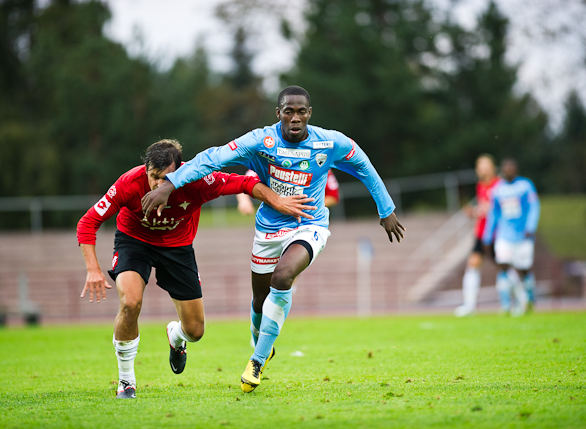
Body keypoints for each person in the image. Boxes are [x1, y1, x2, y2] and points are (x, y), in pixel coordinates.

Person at [141, 86, 406, 393]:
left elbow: (363, 165)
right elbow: (212, 158)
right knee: (259, 299)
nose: (295, 118)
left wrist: (386, 208)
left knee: (283, 277)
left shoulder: (329, 142)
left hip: (310, 225)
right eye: (288, 111)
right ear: (278, 113)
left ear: (309, 114)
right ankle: (262, 342)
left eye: (301, 111)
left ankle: (257, 359)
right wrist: (169, 185)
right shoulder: (259, 141)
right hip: (268, 228)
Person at [77, 139, 316, 399]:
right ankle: (126, 381)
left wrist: (277, 201)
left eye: (166, 178)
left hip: (178, 248)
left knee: (195, 331)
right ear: (145, 169)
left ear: (181, 171)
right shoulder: (129, 183)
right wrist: (93, 269)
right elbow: (88, 222)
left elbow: (245, 183)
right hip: (134, 243)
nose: (158, 184)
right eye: (153, 177)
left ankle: (175, 336)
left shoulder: (200, 180)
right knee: (130, 302)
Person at [482, 158, 540, 316]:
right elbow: (493, 214)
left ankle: (529, 299)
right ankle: (506, 303)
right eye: (506, 168)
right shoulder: (497, 190)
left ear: (516, 170)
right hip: (504, 236)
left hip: (523, 236)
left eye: (511, 168)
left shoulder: (525, 186)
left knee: (523, 269)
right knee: (503, 266)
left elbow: (534, 207)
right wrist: (488, 236)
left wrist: (531, 227)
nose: (508, 170)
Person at [454, 155, 500, 317]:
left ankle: (519, 300)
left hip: (496, 233)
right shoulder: (480, 186)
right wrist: (473, 212)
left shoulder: (499, 185)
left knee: (504, 266)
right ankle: (470, 305)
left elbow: (496, 210)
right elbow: (483, 209)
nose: (483, 169)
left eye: (485, 165)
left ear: (492, 167)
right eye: (480, 166)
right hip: (481, 232)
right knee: (473, 263)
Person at [237, 169, 340, 215]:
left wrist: (306, 208)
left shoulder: (321, 167)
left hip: (308, 222)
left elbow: (333, 195)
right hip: (273, 221)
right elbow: (244, 182)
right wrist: (244, 201)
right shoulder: (270, 160)